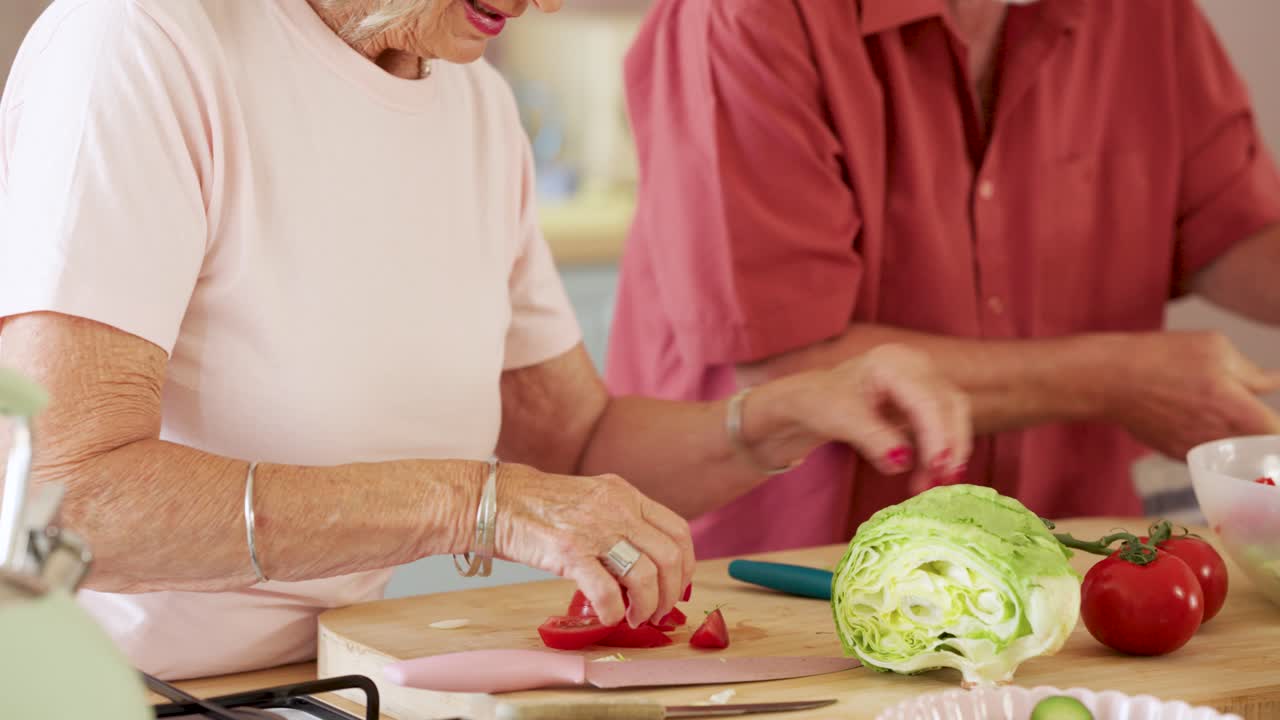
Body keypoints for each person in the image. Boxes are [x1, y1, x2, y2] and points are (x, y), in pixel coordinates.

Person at [0, 0, 970, 680]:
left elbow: (576, 450)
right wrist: (474, 503)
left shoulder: (473, 108)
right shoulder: (139, 43)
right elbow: (63, 504)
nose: (545, 3)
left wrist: (772, 422)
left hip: (331, 682)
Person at [607, 0, 1280, 559]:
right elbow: (794, 363)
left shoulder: (1147, 15)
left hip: (1059, 563)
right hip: (780, 577)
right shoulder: (749, 14)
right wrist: (1119, 379)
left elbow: (1229, 234)